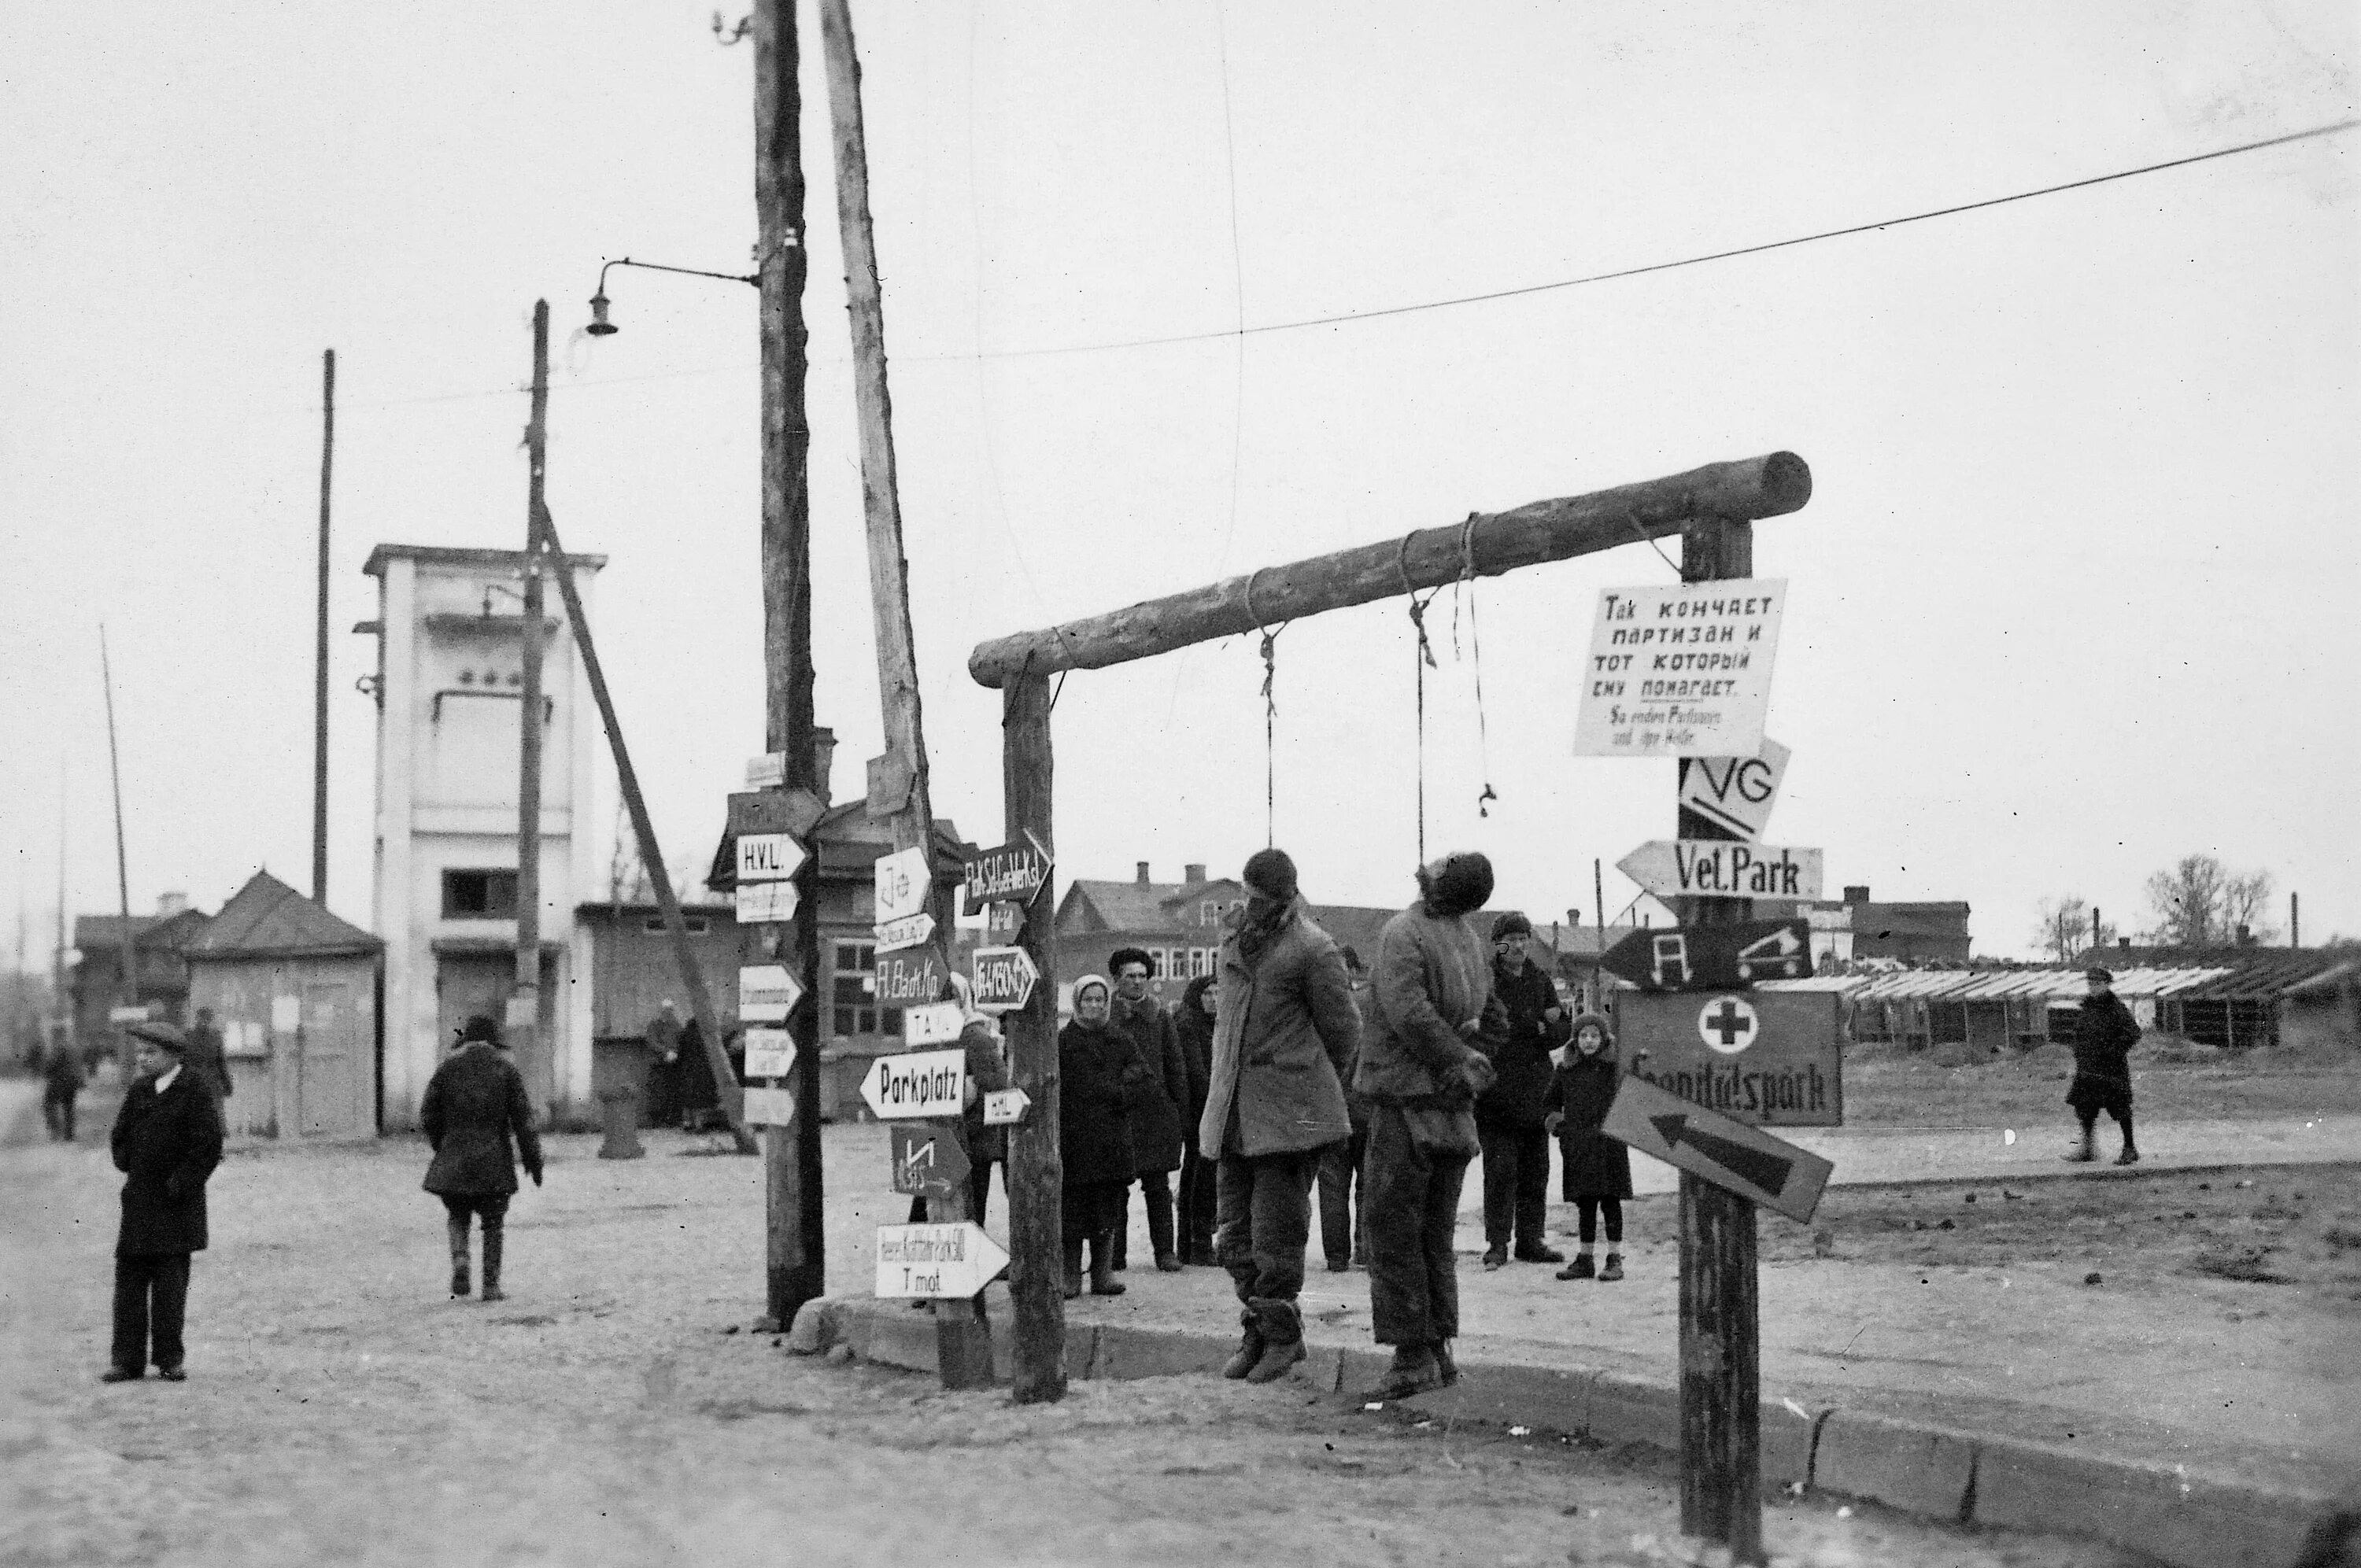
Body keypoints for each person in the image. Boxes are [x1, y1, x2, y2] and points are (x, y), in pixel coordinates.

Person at [1199, 847, 1360, 1385]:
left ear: (1287, 896)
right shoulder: (1233, 938)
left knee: (1277, 1234)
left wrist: (1303, 1086)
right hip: (1234, 1111)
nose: (1253, 904)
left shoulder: (1314, 949)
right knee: (1232, 1235)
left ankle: (1283, 1338)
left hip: (1289, 1120)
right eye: (1248, 893)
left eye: (1264, 897)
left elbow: (1345, 1035)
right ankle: (1259, 1328)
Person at [1354, 850, 1502, 1400]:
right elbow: (1493, 1016)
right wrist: (1470, 1057)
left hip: (1407, 1099)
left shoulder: (1403, 932)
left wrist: (1454, 1056)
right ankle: (1438, 1349)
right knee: (1434, 1234)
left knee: (1393, 1230)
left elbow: (1408, 1011)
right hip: (1454, 1108)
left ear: (1440, 880)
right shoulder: (1468, 938)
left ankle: (1411, 1354)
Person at [103, 1021, 224, 1382]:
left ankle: (169, 1358)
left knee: (170, 1287)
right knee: (129, 1285)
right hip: (140, 1203)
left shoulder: (194, 1090)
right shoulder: (140, 1090)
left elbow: (207, 1147)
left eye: (150, 1053)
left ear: (172, 1056)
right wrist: (127, 1161)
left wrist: (179, 1185)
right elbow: (119, 1135)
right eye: (140, 1052)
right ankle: (127, 1360)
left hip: (175, 1206)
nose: (142, 1059)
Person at [420, 1014, 544, 1301]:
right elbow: (524, 1121)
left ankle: (461, 1259)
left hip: (454, 1159)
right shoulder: (506, 1070)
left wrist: (443, 1146)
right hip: (494, 1160)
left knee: (457, 1215)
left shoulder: (447, 1069)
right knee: (493, 1223)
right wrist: (533, 1162)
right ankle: (491, 1285)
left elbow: (428, 1115)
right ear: (492, 1041)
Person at [1476, 912, 1568, 1271]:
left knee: (1536, 1170)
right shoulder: (1487, 981)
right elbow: (1494, 1029)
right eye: (1510, 938)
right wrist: (1537, 1025)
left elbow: (1561, 1029)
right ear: (1498, 944)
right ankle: (1497, 1244)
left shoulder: (1539, 978)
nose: (1518, 945)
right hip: (1496, 1093)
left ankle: (1531, 1240)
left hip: (1535, 1091)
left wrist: (1540, 1027)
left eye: (1524, 938)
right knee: (1500, 1171)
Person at [1058, 975, 1147, 1298]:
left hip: (1110, 1141)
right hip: (1075, 1140)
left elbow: (1142, 1078)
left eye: (1099, 1000)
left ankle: (1102, 1274)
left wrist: (1118, 1091)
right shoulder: (1063, 1042)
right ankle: (1070, 1275)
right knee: (1072, 1209)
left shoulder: (1120, 1040)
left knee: (1107, 1208)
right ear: (1077, 1003)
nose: (1094, 1005)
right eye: (1087, 1000)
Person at [1107, 947, 1191, 1272]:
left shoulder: (1160, 1016)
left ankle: (1164, 1254)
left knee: (1157, 1187)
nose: (1138, 982)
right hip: (1117, 1114)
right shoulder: (1106, 1015)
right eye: (1131, 976)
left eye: (1143, 976)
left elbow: (1175, 1065)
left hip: (1154, 1115)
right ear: (1117, 979)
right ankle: (1115, 1255)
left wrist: (1179, 1111)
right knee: (1116, 1188)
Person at [905, 973, 1010, 1227]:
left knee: (967, 1217)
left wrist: (964, 1112)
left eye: (950, 998)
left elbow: (996, 1093)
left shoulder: (976, 1037)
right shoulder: (932, 1038)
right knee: (925, 1216)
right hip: (936, 1143)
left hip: (971, 1146)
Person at [1545, 1013, 1633, 1282]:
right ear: (1576, 1038)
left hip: (1610, 1144)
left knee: (1610, 1200)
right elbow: (1550, 1103)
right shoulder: (1565, 1069)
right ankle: (1585, 1259)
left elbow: (1631, 1098)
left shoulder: (1615, 1069)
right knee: (1585, 1202)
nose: (1589, 1041)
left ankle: (1614, 1258)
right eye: (1583, 1035)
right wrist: (1560, 1127)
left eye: (1595, 1036)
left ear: (1604, 1039)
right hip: (1580, 1145)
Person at [2067, 966, 2141, 1165]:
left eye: (2097, 984)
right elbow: (2079, 1034)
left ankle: (2129, 1148)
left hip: (2111, 1069)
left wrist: (2113, 1051)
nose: (2093, 987)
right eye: (2090, 984)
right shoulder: (2087, 1008)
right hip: (2088, 1068)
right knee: (2085, 1108)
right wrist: (2079, 1052)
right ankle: (2088, 1149)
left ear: (2107, 985)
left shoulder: (2116, 1008)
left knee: (2120, 1108)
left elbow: (2133, 1033)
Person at [1172, 975, 1219, 1265]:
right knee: (1202, 1178)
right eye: (1208, 994)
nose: (1214, 999)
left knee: (1196, 1176)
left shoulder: (1210, 1024)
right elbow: (1196, 1073)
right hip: (1200, 1111)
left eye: (1217, 993)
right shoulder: (1189, 1024)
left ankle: (1190, 1245)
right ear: (1197, 997)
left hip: (1206, 1109)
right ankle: (1197, 1244)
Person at [643, 999, 683, 1128]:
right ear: (662, 1010)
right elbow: (652, 1042)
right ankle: (657, 1120)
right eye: (666, 1010)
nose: (669, 1012)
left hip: (673, 1064)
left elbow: (681, 1040)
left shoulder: (676, 1025)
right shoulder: (654, 1025)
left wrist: (676, 1053)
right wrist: (666, 1052)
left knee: (672, 1091)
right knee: (658, 1092)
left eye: (671, 1010)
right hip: (658, 1064)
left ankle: (671, 1119)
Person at [183, 1007, 234, 1105]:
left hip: (211, 1083)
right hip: (194, 1083)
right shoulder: (187, 1036)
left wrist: (227, 1085)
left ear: (210, 1021)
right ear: (196, 1019)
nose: (203, 1022)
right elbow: (182, 1062)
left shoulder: (216, 1037)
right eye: (201, 1019)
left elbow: (221, 1063)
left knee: (213, 1113)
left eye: (206, 1020)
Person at [42, 1033, 85, 1142]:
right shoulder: (74, 1049)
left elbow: (51, 1065)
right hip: (72, 1082)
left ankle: (55, 1130)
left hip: (59, 1081)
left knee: (49, 1104)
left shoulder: (59, 1049)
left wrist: (46, 1071)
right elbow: (79, 1066)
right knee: (68, 1107)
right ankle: (69, 1134)